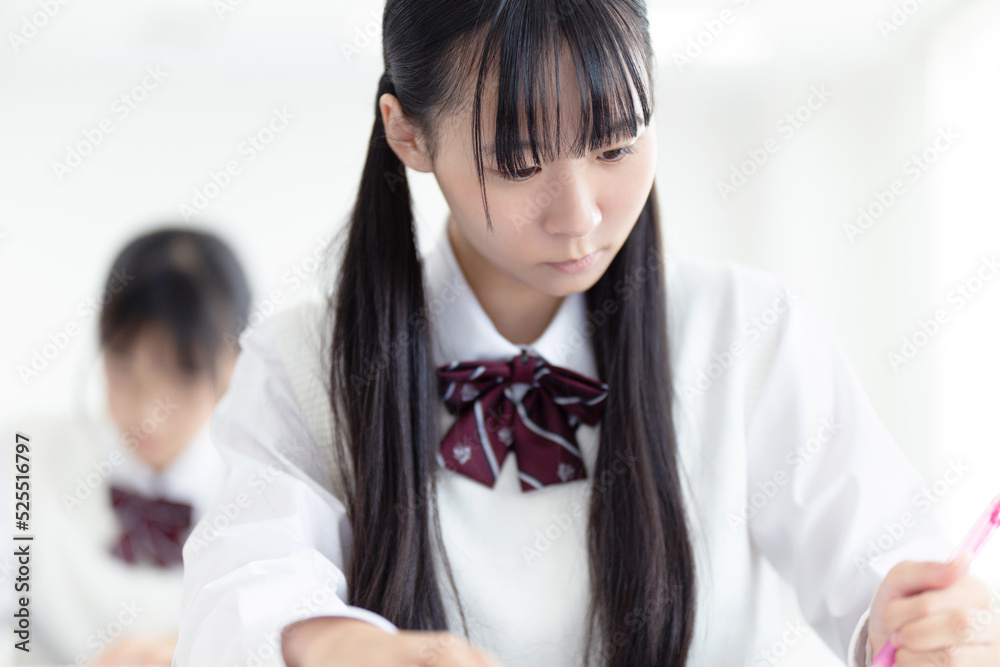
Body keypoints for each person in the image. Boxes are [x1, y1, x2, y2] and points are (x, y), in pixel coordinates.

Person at [174, 2, 1000, 666]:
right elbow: (242, 587)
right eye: (520, 163)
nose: (579, 216)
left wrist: (931, 625)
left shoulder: (747, 333)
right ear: (408, 134)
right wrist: (338, 644)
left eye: (615, 145)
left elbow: (887, 566)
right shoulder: (303, 367)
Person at [8, 227, 250, 666]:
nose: (147, 413)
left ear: (235, 364)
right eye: (123, 369)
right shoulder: (26, 453)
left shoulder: (268, 493)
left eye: (182, 376)